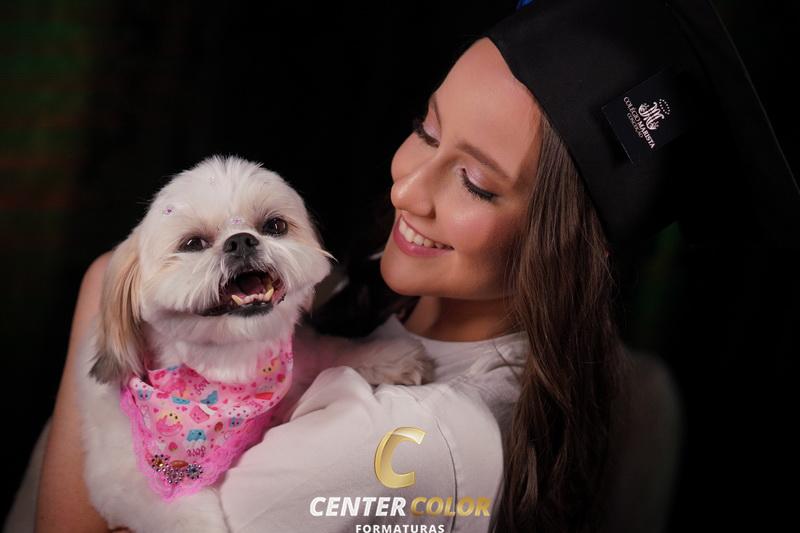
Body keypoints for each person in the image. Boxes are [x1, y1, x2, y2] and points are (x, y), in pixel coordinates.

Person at [11, 0, 796, 532]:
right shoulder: (371, 297)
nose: (406, 189)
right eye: (426, 128)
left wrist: (105, 286)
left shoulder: (413, 442)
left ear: (566, 249)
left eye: (476, 181)